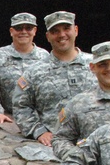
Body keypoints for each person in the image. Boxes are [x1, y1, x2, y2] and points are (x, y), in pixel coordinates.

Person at [12, 11, 96, 146]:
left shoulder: (97, 65)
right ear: (48, 36)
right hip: (55, 146)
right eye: (55, 31)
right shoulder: (35, 72)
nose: (62, 35)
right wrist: (39, 131)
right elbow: (21, 106)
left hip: (96, 143)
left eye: (66, 29)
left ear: (76, 30)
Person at [0, 13, 48, 126]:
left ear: (35, 31)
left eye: (29, 28)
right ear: (11, 31)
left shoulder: (45, 57)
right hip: (7, 118)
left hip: (39, 118)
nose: (24, 32)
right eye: (19, 28)